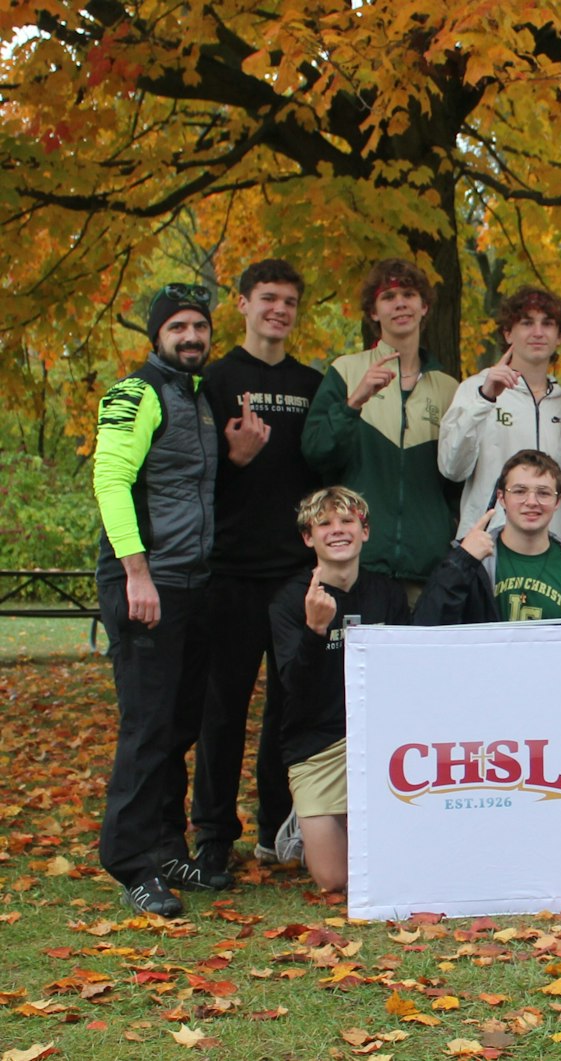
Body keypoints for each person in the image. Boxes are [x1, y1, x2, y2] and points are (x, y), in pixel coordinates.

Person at [93, 281, 230, 916]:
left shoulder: (195, 398)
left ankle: (168, 845)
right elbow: (111, 481)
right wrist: (136, 575)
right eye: (178, 328)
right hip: (147, 585)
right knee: (147, 728)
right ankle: (130, 862)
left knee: (178, 726)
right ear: (157, 336)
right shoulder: (134, 392)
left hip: (192, 586)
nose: (191, 337)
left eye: (199, 327)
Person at [192, 259, 323, 873]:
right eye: (268, 298)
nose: (279, 309)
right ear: (241, 305)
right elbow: (189, 480)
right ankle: (213, 839)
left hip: (294, 571)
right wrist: (233, 458)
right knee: (223, 708)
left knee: (288, 708)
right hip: (230, 569)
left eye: (290, 301)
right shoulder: (214, 381)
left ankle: (277, 830)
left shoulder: (313, 383)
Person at [270, 487, 409, 892]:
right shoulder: (289, 601)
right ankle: (306, 818)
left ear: (364, 532)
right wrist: (315, 630)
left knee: (396, 869)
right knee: (335, 880)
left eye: (347, 521)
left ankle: (360, 814)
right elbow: (293, 688)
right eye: (324, 523)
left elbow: (404, 675)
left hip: (381, 739)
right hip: (318, 745)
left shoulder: (388, 593)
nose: (337, 530)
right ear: (308, 538)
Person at [301, 259, 458, 595]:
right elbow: (316, 452)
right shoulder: (345, 371)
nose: (399, 303)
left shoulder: (448, 388)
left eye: (408, 294)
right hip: (358, 565)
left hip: (425, 567)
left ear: (424, 306)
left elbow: (457, 480)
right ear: (373, 312)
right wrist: (353, 404)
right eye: (388, 297)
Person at [437, 285, 561, 541]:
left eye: (548, 323)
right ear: (508, 333)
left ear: (560, 336)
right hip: (486, 545)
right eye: (527, 323)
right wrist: (485, 398)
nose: (537, 332)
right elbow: (452, 467)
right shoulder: (476, 389)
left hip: (547, 548)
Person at [414, 450, 561, 624]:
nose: (531, 502)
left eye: (543, 493)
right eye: (520, 491)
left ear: (558, 502)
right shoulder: (471, 561)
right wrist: (461, 562)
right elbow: (427, 623)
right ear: (501, 498)